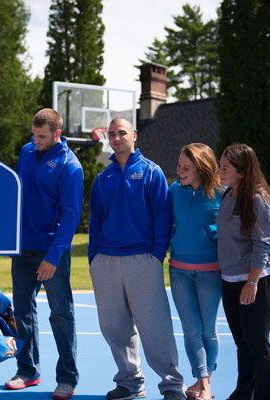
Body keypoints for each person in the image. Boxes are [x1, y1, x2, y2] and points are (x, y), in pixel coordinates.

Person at [88, 117, 186, 400]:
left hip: (143, 259)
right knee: (113, 327)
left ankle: (171, 385)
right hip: (105, 260)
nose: (116, 138)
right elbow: (96, 219)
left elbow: (162, 217)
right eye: (112, 134)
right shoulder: (103, 177)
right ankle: (130, 383)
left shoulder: (151, 172)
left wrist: (156, 256)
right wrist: (94, 257)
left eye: (122, 133)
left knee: (154, 327)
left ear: (134, 136)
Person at [5, 108, 83, 400]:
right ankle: (27, 370)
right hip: (22, 248)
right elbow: (14, 190)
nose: (35, 141)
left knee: (61, 314)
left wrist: (52, 257)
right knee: (22, 311)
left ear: (56, 134)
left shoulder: (70, 166)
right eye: (33, 135)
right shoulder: (27, 151)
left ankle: (67, 377)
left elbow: (71, 216)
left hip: (52, 252)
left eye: (41, 137)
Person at [217, 143, 270, 400]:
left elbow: (263, 243)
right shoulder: (227, 195)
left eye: (225, 168)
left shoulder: (257, 200)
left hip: (255, 283)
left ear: (242, 172)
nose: (219, 172)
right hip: (229, 281)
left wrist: (251, 283)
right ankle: (244, 394)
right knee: (243, 345)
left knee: (258, 347)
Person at [169, 143, 223, 400]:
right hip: (179, 271)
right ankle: (204, 385)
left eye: (186, 167)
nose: (179, 170)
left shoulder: (222, 194)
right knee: (190, 330)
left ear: (201, 169)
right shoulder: (173, 191)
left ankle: (203, 384)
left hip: (210, 272)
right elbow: (167, 224)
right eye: (179, 165)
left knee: (207, 331)